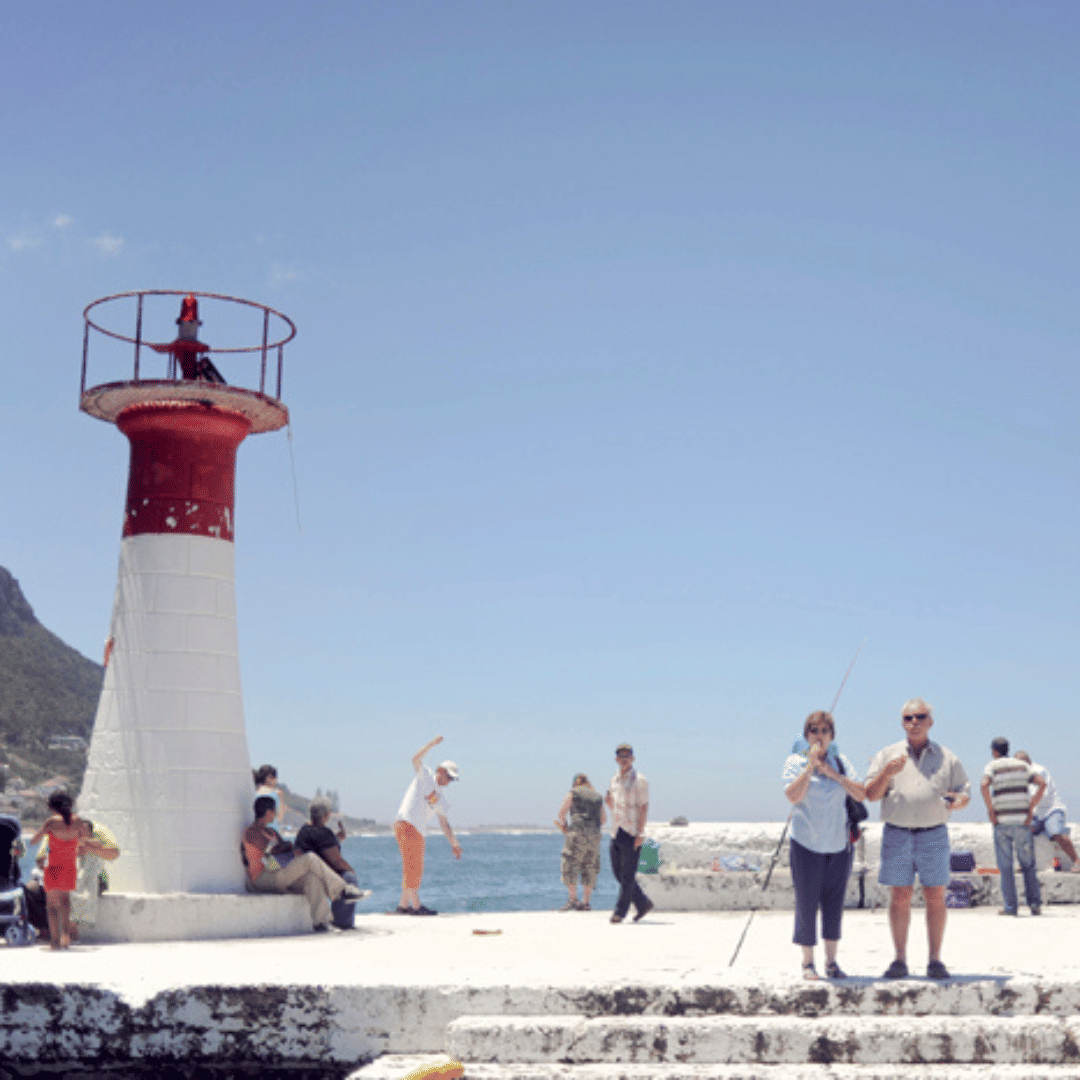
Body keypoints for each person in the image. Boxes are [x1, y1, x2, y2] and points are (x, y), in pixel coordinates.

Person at [865, 698, 970, 980]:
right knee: (899, 896)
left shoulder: (947, 757)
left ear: (931, 722)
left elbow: (964, 791)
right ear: (902, 723)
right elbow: (871, 795)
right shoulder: (887, 754)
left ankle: (935, 960)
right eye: (908, 718)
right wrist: (887, 773)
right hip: (897, 832)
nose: (914, 722)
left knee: (935, 895)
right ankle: (899, 959)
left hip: (933, 833)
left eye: (920, 717)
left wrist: (960, 800)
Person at [782, 710, 866, 980]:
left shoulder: (841, 762)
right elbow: (792, 796)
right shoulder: (794, 762)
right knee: (806, 903)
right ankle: (808, 962)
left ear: (832, 736)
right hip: (806, 843)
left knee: (834, 903)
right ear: (807, 735)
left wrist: (833, 774)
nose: (819, 736)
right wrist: (810, 767)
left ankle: (832, 961)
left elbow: (860, 793)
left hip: (838, 844)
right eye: (814, 731)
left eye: (825, 731)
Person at [242, 796, 365, 931]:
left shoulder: (271, 832)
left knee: (312, 879)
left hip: (278, 874)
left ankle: (321, 922)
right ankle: (342, 890)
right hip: (262, 877)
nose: (276, 814)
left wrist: (289, 853)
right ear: (267, 812)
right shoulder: (252, 833)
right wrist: (290, 854)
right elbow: (267, 862)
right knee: (310, 858)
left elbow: (282, 851)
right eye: (274, 811)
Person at [28, 791, 109, 950]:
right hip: (69, 867)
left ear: (52, 806)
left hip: (53, 866)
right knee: (65, 903)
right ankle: (66, 938)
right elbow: (85, 840)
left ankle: (55, 941)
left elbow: (33, 841)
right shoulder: (77, 821)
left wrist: (44, 832)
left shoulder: (51, 822)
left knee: (52, 906)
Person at [393, 736, 462, 915]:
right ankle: (416, 906)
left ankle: (403, 905)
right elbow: (415, 759)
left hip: (419, 830)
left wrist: (454, 843)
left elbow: (444, 824)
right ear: (440, 771)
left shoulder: (442, 799)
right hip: (406, 822)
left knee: (414, 866)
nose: (449, 781)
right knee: (412, 866)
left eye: (452, 779)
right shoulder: (426, 775)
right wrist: (431, 744)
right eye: (449, 776)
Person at [27, 818, 120, 942]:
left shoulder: (99, 831)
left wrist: (89, 848)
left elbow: (114, 853)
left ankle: (71, 931)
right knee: (30, 889)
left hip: (92, 878)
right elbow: (40, 860)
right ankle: (45, 929)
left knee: (74, 888)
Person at [981, 738, 1046, 916]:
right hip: (1023, 821)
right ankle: (1034, 904)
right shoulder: (1023, 765)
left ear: (994, 751)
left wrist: (991, 810)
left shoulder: (992, 766)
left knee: (1006, 866)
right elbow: (1042, 783)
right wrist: (1031, 807)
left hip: (1001, 822)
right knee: (1028, 865)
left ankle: (1011, 908)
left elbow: (984, 784)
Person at [295, 797, 365, 930]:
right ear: (326, 815)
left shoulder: (304, 831)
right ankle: (341, 922)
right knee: (350, 878)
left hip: (306, 874)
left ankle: (327, 921)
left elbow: (317, 845)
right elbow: (336, 861)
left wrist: (337, 839)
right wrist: (351, 870)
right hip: (324, 873)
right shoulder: (324, 833)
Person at [604, 742, 653, 924]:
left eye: (627, 756)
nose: (624, 760)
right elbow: (615, 807)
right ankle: (643, 903)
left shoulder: (640, 780)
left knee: (628, 875)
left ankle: (620, 912)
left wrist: (640, 833)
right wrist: (609, 803)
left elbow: (644, 807)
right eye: (621, 757)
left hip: (631, 831)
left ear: (632, 758)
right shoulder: (614, 780)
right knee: (618, 873)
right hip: (616, 830)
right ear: (616, 759)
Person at [1015, 750, 1080, 872]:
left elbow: (1038, 796)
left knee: (1056, 832)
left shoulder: (1039, 771)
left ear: (1027, 762)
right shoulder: (1021, 776)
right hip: (1036, 813)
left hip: (1052, 811)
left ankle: (1077, 861)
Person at [555, 773, 606, 911]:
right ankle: (586, 902)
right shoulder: (598, 796)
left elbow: (561, 813)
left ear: (575, 783)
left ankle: (573, 900)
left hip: (577, 833)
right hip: (595, 835)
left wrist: (565, 826)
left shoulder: (573, 793)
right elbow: (603, 820)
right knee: (590, 866)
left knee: (570, 864)